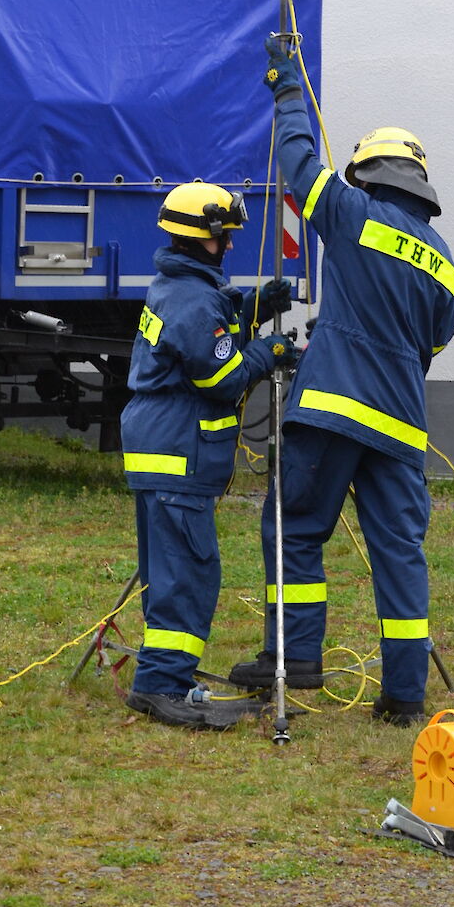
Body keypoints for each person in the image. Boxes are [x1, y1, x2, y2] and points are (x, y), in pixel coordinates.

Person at [229, 40, 454, 726]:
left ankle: (296, 658)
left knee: (295, 527)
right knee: (399, 555)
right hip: (400, 427)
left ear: (368, 174)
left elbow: (301, 167)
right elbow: (435, 343)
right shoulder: (444, 262)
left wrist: (289, 91)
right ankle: (403, 696)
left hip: (331, 412)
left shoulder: (355, 216)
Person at [121, 180, 298, 730]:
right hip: (178, 455)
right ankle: (162, 685)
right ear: (205, 239)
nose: (229, 248)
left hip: (159, 451)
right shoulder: (194, 300)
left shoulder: (176, 287)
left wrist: (253, 305)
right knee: (189, 573)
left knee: (167, 570)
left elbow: (209, 329)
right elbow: (221, 376)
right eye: (225, 240)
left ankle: (164, 676)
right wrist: (267, 353)